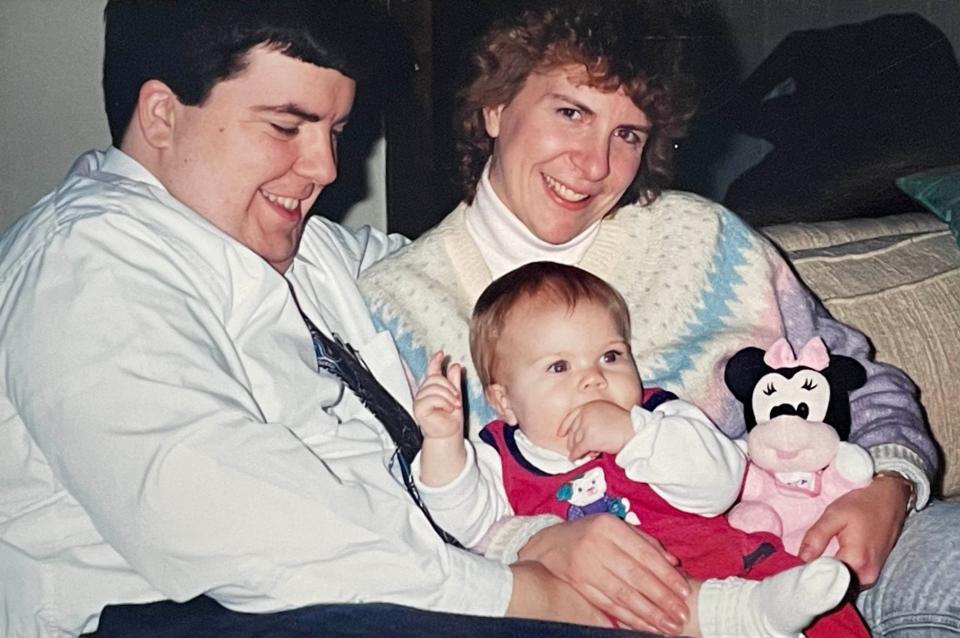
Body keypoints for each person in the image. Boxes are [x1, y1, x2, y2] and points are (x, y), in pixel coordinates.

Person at [0, 2, 655, 636]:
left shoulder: (304, 250)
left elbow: (452, 273)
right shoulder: (88, 266)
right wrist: (520, 592)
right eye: (286, 127)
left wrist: (547, 183)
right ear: (164, 115)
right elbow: (234, 527)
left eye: (335, 133)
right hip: (190, 614)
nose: (325, 169)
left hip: (397, 590)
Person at [359, 1, 960, 635]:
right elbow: (397, 527)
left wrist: (889, 486)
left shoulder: (705, 241)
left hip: (811, 551)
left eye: (628, 134)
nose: (595, 165)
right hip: (612, 609)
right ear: (497, 107)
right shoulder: (397, 308)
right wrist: (530, 544)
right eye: (572, 112)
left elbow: (855, 381)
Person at [413, 261, 869, 638]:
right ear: (504, 401)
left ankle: (759, 612)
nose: (592, 378)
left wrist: (634, 434)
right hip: (618, 607)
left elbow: (721, 484)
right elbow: (464, 522)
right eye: (558, 366)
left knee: (820, 611)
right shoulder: (497, 455)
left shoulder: (659, 416)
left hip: (724, 567)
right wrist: (442, 442)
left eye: (610, 356)